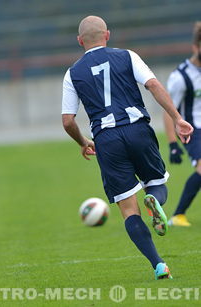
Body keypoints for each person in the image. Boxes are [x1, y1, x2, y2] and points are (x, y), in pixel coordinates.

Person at [61, 16, 193, 279]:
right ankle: (155, 199)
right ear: (107, 35)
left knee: (128, 210)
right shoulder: (127, 56)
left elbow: (68, 121)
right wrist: (178, 119)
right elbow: (153, 85)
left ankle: (158, 264)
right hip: (137, 129)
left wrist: (83, 142)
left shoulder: (72, 73)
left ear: (80, 41)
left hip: (106, 140)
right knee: (156, 183)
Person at [164, 21, 201, 227]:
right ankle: (178, 216)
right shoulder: (181, 77)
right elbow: (169, 111)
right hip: (194, 131)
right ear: (195, 47)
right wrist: (172, 144)